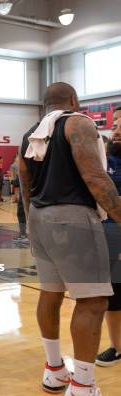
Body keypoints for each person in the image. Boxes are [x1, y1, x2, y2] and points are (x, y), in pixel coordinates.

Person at [18, 82, 121, 395]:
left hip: (39, 216)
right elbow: (94, 177)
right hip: (73, 217)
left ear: (45, 103)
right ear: (74, 101)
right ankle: (83, 383)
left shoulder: (30, 133)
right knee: (92, 301)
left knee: (50, 293)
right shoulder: (77, 123)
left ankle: (55, 371)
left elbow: (24, 180)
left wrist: (29, 224)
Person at [96, 105, 121, 368]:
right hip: (110, 238)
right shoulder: (106, 161)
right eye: (115, 124)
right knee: (113, 300)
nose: (117, 129)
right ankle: (117, 347)